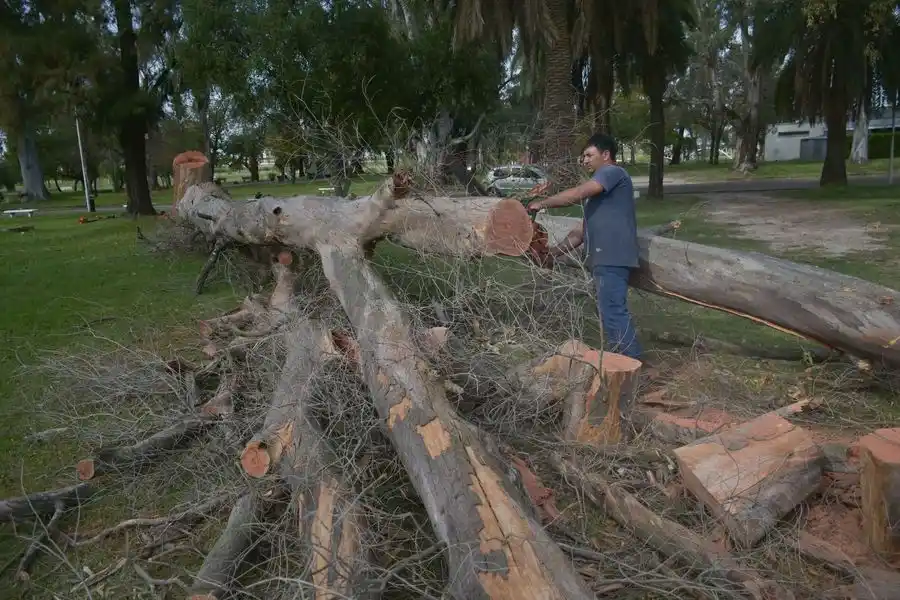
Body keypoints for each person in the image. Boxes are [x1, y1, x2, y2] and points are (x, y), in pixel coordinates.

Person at [527, 133, 642, 360]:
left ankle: (633, 362)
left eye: (589, 155)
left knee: (613, 311)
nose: (585, 160)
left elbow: (578, 193)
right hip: (603, 258)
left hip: (612, 255)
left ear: (606, 155)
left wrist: (543, 203)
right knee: (608, 311)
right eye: (583, 157)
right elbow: (579, 233)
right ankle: (621, 361)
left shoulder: (611, 172)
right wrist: (552, 254)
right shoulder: (600, 194)